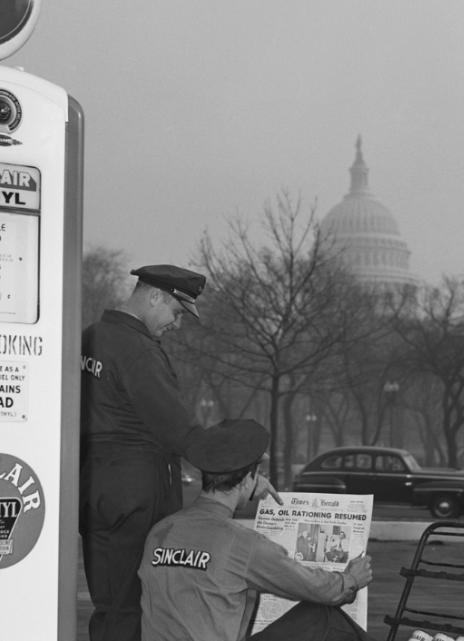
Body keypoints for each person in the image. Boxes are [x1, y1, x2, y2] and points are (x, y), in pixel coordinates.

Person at [79, 265, 279, 641]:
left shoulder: (91, 338)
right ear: (154, 297)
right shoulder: (138, 351)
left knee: (108, 600)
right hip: (138, 487)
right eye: (176, 312)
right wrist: (241, 473)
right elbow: (181, 431)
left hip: (93, 486)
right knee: (135, 604)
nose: (177, 325)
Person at [139, 420, 377, 641]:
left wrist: (247, 484)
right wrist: (351, 580)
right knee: (323, 615)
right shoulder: (242, 544)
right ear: (245, 481)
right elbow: (318, 588)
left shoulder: (160, 532)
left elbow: (206, 544)